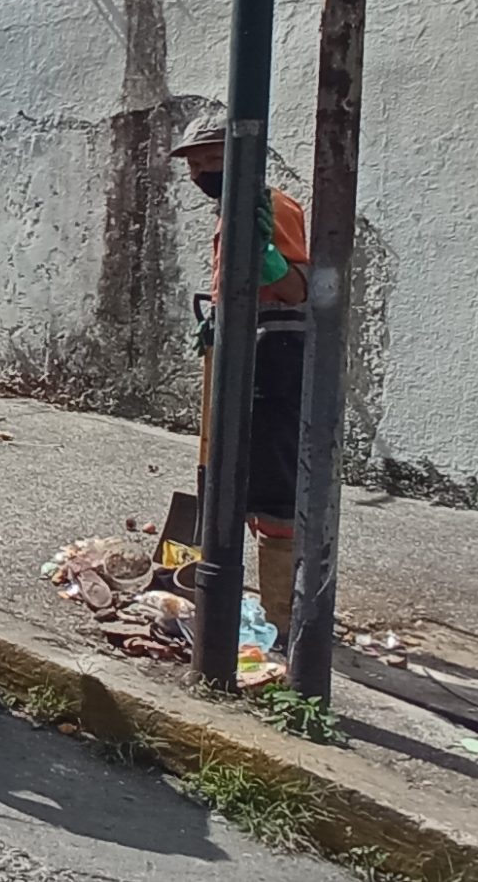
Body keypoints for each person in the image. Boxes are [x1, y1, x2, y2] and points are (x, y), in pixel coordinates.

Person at [168, 120, 310, 641]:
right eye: (191, 164)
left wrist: (270, 261)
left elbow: (297, 288)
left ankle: (285, 618)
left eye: (206, 160)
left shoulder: (276, 207)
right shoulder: (230, 213)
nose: (197, 172)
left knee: (274, 487)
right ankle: (234, 598)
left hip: (275, 354)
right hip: (238, 350)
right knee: (229, 471)